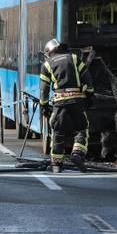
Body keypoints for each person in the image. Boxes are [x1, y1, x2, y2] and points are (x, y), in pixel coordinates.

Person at [39, 39, 94, 173]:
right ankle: (77, 153)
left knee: (58, 131)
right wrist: (89, 94)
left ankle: (57, 164)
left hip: (60, 103)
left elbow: (43, 89)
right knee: (82, 129)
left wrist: (44, 105)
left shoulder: (47, 65)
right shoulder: (74, 58)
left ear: (49, 52)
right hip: (77, 101)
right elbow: (87, 77)